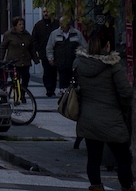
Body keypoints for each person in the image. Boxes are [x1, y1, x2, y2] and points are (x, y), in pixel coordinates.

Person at [73, 29, 134, 191]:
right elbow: (126, 92)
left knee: (93, 157)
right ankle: (127, 187)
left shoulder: (79, 63)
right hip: (111, 119)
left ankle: (96, 186)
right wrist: (124, 107)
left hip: (88, 118)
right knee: (123, 158)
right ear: (107, 45)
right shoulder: (112, 65)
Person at [47, 15, 85, 95]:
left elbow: (84, 47)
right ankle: (64, 98)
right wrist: (51, 58)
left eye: (65, 24)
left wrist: (81, 58)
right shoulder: (55, 34)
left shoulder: (76, 33)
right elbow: (49, 47)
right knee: (63, 84)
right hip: (61, 63)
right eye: (62, 24)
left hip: (74, 63)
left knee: (74, 83)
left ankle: (73, 97)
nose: (63, 26)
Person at [0, 17, 34, 95]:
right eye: (20, 24)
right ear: (15, 26)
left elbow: (31, 48)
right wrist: (1, 59)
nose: (22, 26)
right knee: (15, 79)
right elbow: (3, 47)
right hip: (13, 61)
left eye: (22, 24)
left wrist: (35, 59)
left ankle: (23, 94)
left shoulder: (27, 35)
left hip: (25, 61)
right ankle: (17, 94)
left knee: (26, 78)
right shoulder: (8, 35)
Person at [31, 9, 57, 98]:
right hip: (43, 52)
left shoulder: (56, 24)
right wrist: (38, 49)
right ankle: (49, 89)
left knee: (54, 72)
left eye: (47, 11)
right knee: (47, 71)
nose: (46, 14)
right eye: (44, 12)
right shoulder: (39, 25)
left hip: (56, 52)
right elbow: (34, 39)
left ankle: (52, 88)